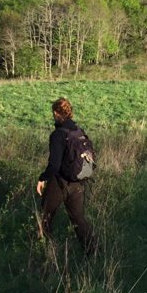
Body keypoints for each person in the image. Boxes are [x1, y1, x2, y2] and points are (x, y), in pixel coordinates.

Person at [36, 97, 97, 255]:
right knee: (78, 219)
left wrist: (42, 178)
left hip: (60, 182)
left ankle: (44, 251)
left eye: (53, 113)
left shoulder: (58, 135)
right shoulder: (78, 131)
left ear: (56, 113)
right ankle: (93, 252)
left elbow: (54, 165)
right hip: (78, 182)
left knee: (45, 216)